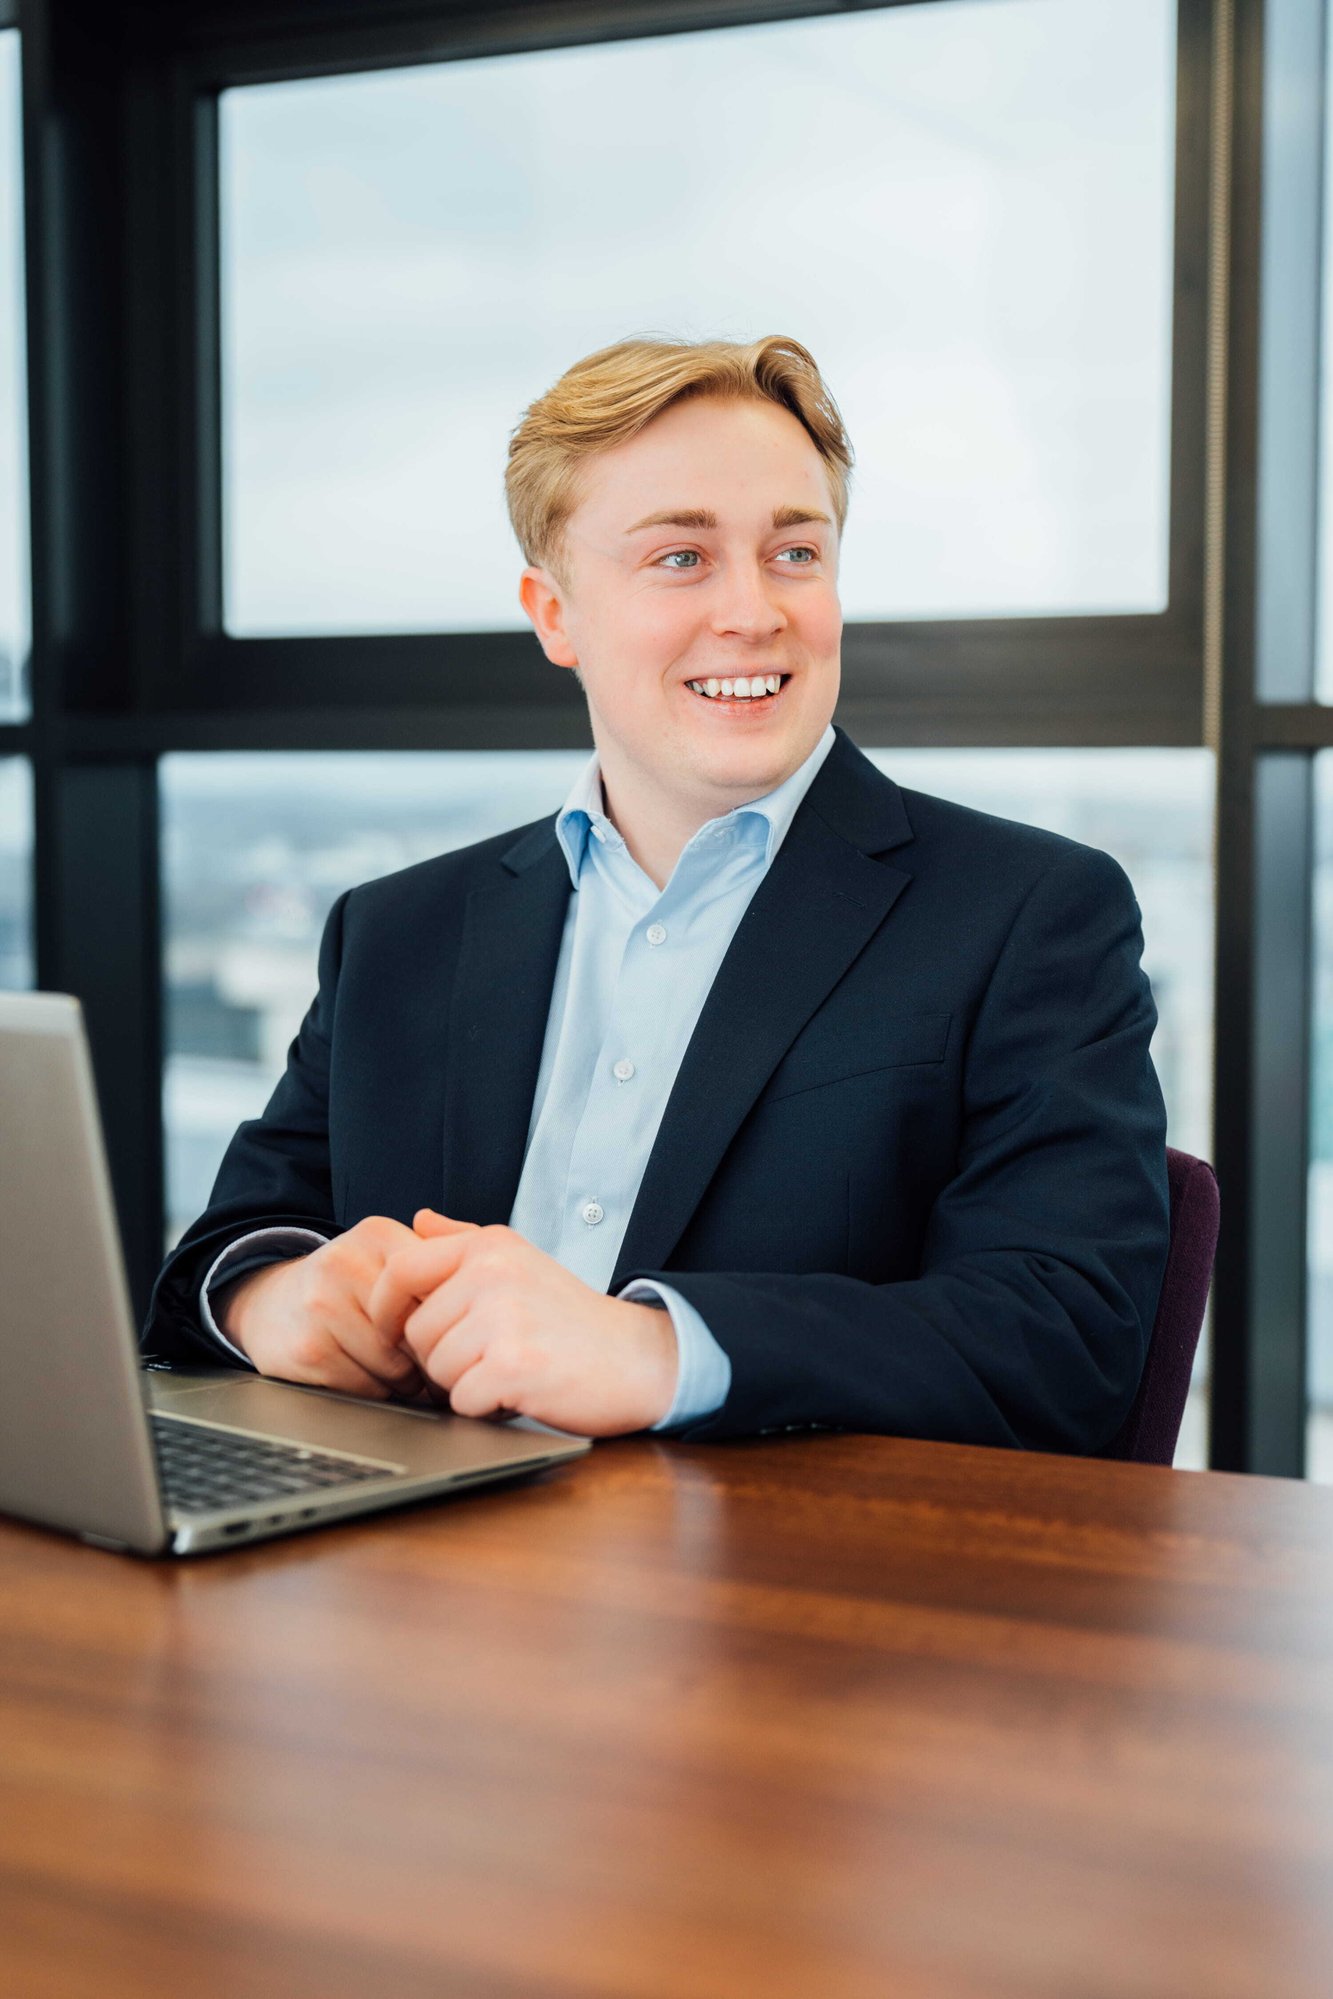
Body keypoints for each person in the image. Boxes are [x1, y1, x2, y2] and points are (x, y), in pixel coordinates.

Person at [143, 334, 1170, 1449]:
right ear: (555, 614)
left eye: (794, 552)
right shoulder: (398, 930)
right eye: (680, 557)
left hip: (769, 1586)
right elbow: (234, 1240)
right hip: (411, 1567)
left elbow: (1065, 1339)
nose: (753, 610)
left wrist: (658, 1350)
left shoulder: (1026, 913)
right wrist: (273, 1299)